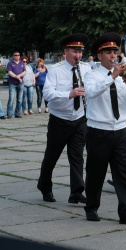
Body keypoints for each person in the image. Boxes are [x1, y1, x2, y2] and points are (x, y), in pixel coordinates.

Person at [83, 32, 126, 225]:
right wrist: (112, 77)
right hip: (98, 131)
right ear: (99, 55)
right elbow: (92, 93)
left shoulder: (123, 76)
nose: (113, 56)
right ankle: (91, 207)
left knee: (124, 173)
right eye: (108, 52)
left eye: (114, 52)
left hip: (120, 130)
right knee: (96, 173)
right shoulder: (91, 74)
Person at [37, 33, 91, 203]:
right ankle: (44, 186)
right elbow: (47, 93)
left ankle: (76, 191)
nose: (78, 55)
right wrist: (69, 94)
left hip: (80, 118)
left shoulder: (86, 68)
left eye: (80, 52)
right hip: (59, 120)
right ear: (66, 51)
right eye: (75, 51)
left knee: (77, 157)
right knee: (52, 156)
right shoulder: (55, 69)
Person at [6, 51, 26, 119]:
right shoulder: (10, 63)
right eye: (15, 55)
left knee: (19, 99)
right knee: (11, 99)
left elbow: (25, 72)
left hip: (20, 83)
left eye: (18, 55)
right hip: (12, 83)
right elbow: (10, 72)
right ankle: (9, 113)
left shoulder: (22, 63)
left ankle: (17, 113)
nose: (17, 56)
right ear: (13, 56)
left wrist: (19, 76)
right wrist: (17, 77)